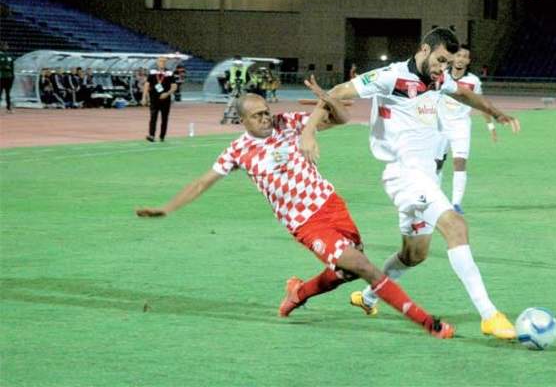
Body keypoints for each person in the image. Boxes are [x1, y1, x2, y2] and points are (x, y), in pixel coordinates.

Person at [135, 88, 454, 339]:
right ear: (243, 120)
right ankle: (428, 322)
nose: (265, 118)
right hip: (305, 223)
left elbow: (341, 118)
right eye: (257, 115)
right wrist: (167, 208)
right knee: (362, 266)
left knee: (347, 273)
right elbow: (203, 182)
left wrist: (327, 99)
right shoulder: (237, 151)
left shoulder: (285, 122)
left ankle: (298, 293)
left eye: (266, 111)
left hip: (331, 204)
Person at [301, 27, 522, 340]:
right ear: (424, 49)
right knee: (456, 226)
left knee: (414, 254)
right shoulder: (390, 77)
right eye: (441, 60)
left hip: (426, 177)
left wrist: (496, 114)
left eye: (449, 64)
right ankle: (489, 315)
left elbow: (464, 93)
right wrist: (308, 132)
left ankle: (368, 297)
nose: (443, 69)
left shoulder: (438, 79)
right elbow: (337, 91)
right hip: (404, 174)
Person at [434, 45, 497, 214]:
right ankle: (436, 200)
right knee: (437, 163)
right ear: (453, 58)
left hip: (461, 126)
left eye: (465, 56)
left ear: (468, 61)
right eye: (458, 55)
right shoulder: (441, 75)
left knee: (459, 162)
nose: (461, 59)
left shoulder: (473, 81)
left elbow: (480, 104)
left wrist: (490, 126)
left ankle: (456, 203)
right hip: (440, 126)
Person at [142, 56, 177, 142]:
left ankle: (162, 136)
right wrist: (144, 97)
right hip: (154, 98)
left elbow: (174, 86)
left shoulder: (169, 73)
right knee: (153, 117)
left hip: (165, 99)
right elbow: (147, 85)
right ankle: (151, 135)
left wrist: (167, 93)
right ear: (157, 63)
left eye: (164, 62)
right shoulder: (152, 72)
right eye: (160, 61)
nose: (162, 63)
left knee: (164, 118)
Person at [0, 42, 14, 112]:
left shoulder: (9, 56)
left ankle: (8, 107)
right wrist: (4, 67)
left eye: (6, 46)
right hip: (1, 77)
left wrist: (13, 76)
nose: (6, 47)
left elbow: (12, 67)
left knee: (8, 93)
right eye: (4, 46)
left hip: (9, 77)